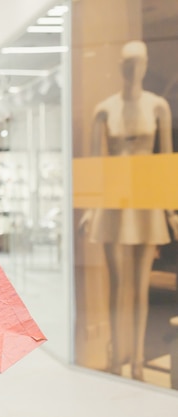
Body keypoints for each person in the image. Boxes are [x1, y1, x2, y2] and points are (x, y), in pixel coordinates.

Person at [79, 40, 178, 380]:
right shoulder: (105, 109)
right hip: (113, 201)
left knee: (140, 286)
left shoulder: (158, 107)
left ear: (146, 65)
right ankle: (116, 357)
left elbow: (165, 162)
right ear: (120, 66)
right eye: (127, 63)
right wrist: (91, 208)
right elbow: (94, 165)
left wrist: (170, 210)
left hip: (146, 201)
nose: (133, 69)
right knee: (117, 284)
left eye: (138, 63)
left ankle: (136, 360)